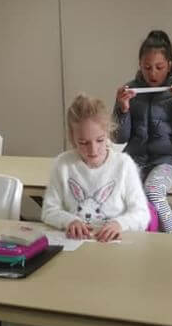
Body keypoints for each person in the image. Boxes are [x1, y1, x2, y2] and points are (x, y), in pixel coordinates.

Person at [114, 30, 172, 233]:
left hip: (169, 160)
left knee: (153, 192)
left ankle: (170, 240)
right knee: (115, 188)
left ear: (169, 65)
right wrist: (123, 110)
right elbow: (119, 138)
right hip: (136, 159)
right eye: (147, 67)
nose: (152, 73)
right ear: (140, 65)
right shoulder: (130, 90)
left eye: (159, 67)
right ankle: (130, 239)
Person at [43, 93, 150, 241]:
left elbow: (142, 214)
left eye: (99, 140)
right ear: (72, 138)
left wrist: (119, 224)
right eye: (83, 143)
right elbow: (49, 211)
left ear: (108, 133)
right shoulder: (63, 164)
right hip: (77, 243)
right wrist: (70, 221)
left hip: (114, 245)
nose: (93, 150)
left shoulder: (124, 165)